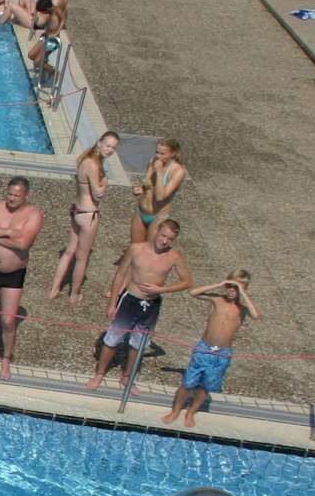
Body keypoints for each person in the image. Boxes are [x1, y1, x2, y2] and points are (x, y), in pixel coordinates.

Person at [89, 220, 192, 391]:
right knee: (113, 339)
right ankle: (100, 372)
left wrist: (162, 289)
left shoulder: (174, 256)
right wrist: (112, 303)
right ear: (156, 230)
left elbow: (187, 281)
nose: (165, 241)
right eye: (163, 235)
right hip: (130, 300)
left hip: (152, 304)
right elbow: (120, 274)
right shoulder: (136, 249)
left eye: (170, 239)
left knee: (139, 343)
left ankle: (127, 377)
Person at [162, 273, 259, 427]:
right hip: (204, 348)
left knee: (205, 387)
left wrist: (243, 291)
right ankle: (176, 410)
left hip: (222, 353)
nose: (231, 290)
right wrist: (220, 284)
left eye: (235, 288)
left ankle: (191, 412)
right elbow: (194, 293)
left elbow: (256, 315)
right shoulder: (217, 299)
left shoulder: (243, 308)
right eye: (230, 286)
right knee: (187, 384)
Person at [0, 177, 43, 380]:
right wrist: (7, 232)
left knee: (8, 320)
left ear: (26, 195)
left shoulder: (34, 214)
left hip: (14, 273)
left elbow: (23, 244)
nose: (11, 198)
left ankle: (6, 357)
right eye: (9, 194)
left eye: (16, 195)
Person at [50, 131, 118, 302]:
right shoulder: (94, 165)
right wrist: (105, 182)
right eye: (108, 145)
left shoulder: (84, 159)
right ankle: (74, 294)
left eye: (113, 148)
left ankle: (54, 289)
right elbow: (97, 194)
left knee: (68, 252)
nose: (110, 150)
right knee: (82, 258)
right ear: (99, 143)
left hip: (76, 211)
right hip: (88, 215)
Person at [132, 138, 185, 242]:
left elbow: (161, 196)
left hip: (158, 216)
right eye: (157, 152)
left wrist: (159, 172)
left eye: (162, 154)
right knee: (135, 248)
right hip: (141, 211)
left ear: (173, 153)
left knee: (149, 251)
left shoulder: (177, 171)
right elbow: (150, 184)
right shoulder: (153, 162)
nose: (158, 156)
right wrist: (143, 188)